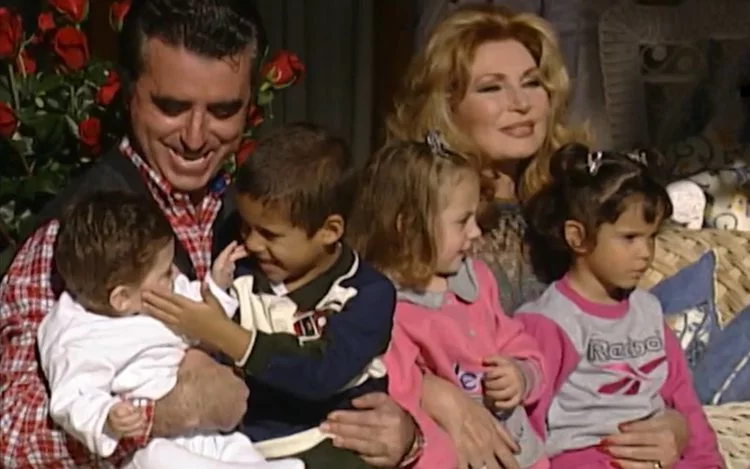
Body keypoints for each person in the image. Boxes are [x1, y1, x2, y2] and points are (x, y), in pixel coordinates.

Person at [0, 1, 417, 467]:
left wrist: (406, 434)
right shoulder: (78, 234)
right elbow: (11, 437)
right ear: (129, 93)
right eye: (171, 106)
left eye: (222, 110)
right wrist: (163, 415)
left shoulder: (266, 212)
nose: (195, 137)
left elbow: (349, 335)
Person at [383, 4, 690, 469]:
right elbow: (368, 337)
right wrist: (435, 393)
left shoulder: (580, 206)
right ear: (446, 106)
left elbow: (635, 338)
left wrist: (676, 426)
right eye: (491, 88)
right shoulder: (421, 223)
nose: (521, 103)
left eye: (532, 83)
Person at [139, 124, 395, 469]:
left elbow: (321, 371)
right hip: (239, 445)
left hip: (326, 442)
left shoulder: (366, 294)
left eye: (270, 235)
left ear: (329, 231)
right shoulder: (240, 261)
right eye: (246, 226)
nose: (253, 243)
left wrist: (222, 333)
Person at [37, 191, 303, 469]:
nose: (175, 275)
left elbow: (202, 313)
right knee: (159, 458)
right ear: (122, 298)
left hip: (204, 430)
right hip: (148, 445)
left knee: (234, 447)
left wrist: (216, 286)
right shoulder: (77, 336)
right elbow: (73, 396)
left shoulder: (160, 294)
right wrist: (106, 416)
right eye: (165, 273)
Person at [348, 134, 550, 469]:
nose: (475, 232)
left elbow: (516, 341)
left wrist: (522, 374)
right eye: (461, 221)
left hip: (521, 453)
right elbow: (404, 402)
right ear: (408, 227)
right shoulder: (388, 310)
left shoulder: (476, 280)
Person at [516, 143, 723, 468]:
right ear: (577, 237)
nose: (645, 252)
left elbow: (682, 397)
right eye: (629, 238)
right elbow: (527, 422)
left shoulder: (647, 311)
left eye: (651, 237)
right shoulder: (550, 322)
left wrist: (706, 462)